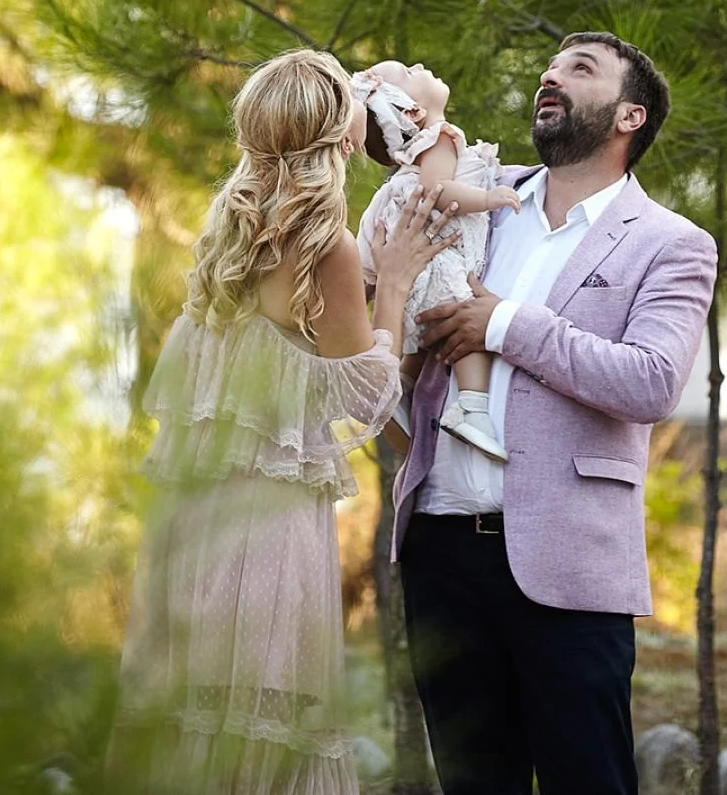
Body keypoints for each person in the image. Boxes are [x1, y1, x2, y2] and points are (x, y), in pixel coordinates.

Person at [104, 48, 461, 795]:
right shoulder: (325, 245)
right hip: (267, 532)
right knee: (268, 716)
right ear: (337, 138)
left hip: (195, 524)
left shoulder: (225, 234)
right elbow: (365, 399)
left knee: (198, 713)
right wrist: (391, 283)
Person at [388, 32, 719, 795]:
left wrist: (502, 324)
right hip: (441, 551)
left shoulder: (673, 244)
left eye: (581, 68)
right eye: (551, 64)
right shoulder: (477, 193)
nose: (551, 74)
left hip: (569, 569)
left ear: (630, 115)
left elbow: (652, 381)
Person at [353, 60, 522, 461]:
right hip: (438, 255)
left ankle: (402, 386)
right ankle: (473, 408)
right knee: (463, 316)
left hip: (413, 257)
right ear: (412, 112)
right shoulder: (440, 137)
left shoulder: (414, 155)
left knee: (423, 331)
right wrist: (486, 199)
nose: (420, 65)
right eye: (410, 73)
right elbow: (437, 191)